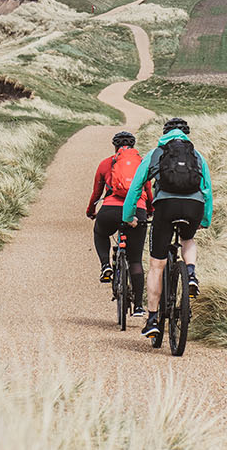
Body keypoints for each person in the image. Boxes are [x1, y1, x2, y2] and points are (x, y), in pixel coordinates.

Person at [122, 117, 212, 340]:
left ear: (165, 133)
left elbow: (136, 187)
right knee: (188, 239)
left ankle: (152, 319)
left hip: (165, 206)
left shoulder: (156, 153)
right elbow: (207, 189)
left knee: (156, 265)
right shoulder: (197, 156)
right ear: (186, 134)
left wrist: (129, 216)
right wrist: (205, 219)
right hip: (193, 206)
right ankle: (190, 273)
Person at [87, 130, 150, 316]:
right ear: (133, 146)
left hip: (110, 210)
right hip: (137, 210)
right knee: (136, 260)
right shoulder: (140, 163)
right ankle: (138, 306)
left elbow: (96, 192)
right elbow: (148, 190)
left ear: (115, 146)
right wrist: (150, 209)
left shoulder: (106, 164)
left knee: (100, 232)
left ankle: (106, 264)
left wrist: (91, 210)